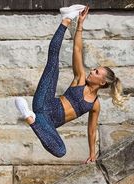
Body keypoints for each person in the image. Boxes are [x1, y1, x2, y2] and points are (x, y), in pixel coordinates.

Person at [15, 4, 127, 163]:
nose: (92, 70)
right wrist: (79, 25)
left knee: (60, 151)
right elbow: (77, 50)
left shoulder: (95, 105)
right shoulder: (80, 79)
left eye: (96, 72)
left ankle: (30, 118)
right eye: (94, 69)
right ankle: (66, 20)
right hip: (44, 103)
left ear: (102, 82)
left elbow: (91, 131)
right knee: (53, 62)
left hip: (48, 123)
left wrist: (92, 154)